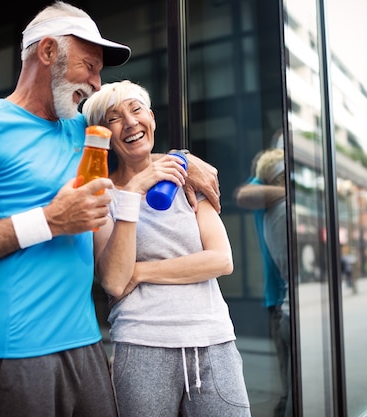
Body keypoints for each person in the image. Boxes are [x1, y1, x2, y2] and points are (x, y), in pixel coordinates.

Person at [0, 3, 219, 417]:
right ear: (49, 52)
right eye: (89, 67)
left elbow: (135, 143)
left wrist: (184, 159)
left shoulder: (83, 130)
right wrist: (49, 222)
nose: (96, 82)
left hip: (86, 345)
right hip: (12, 349)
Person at [81, 80, 251, 417]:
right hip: (141, 345)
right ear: (104, 135)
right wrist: (132, 192)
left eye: (136, 109)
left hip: (213, 341)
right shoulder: (102, 196)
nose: (130, 122)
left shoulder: (189, 180)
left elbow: (221, 259)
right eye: (114, 118)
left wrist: (141, 272)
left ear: (152, 119)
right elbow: (115, 281)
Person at [235, 146, 291, 417]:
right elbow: (244, 195)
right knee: (288, 375)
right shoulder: (267, 177)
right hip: (278, 296)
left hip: (295, 294)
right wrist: (290, 192)